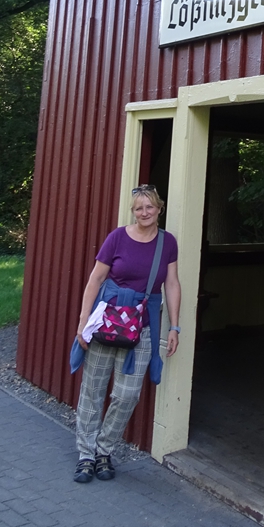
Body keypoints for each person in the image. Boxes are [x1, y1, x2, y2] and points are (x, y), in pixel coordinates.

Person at [68, 183, 182, 483]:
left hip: (142, 327)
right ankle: (86, 454)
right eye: (139, 208)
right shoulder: (117, 238)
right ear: (133, 212)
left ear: (159, 209)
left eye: (150, 207)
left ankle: (105, 448)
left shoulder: (167, 243)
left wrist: (174, 326)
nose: (145, 212)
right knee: (92, 390)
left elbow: (171, 284)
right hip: (106, 323)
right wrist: (83, 322)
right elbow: (96, 279)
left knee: (127, 394)